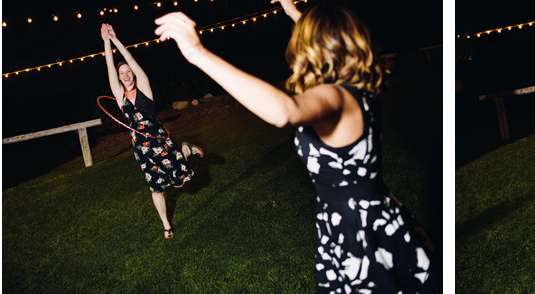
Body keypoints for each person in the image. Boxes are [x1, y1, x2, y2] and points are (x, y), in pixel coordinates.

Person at [155, 1, 434, 291]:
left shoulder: (335, 97)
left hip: (358, 231)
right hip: (367, 215)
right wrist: (290, 8)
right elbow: (326, 32)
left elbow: (283, 111)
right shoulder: (361, 89)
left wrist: (198, 53)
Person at [100, 22, 204, 239]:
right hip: (141, 149)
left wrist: (116, 39)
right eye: (122, 73)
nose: (126, 74)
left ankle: (184, 150)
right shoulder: (120, 99)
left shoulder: (144, 87)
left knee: (181, 181)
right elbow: (110, 68)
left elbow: (132, 61)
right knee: (155, 188)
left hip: (160, 140)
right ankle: (167, 225)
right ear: (119, 78)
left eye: (128, 72)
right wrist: (105, 42)